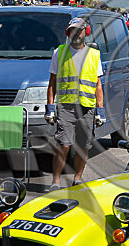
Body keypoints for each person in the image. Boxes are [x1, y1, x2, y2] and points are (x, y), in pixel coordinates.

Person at [45, 17, 106, 190]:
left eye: (80, 30)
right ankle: (56, 181)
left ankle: (77, 179)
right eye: (73, 30)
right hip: (66, 106)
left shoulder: (94, 55)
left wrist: (100, 110)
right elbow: (52, 82)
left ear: (85, 32)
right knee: (63, 144)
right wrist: (50, 107)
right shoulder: (60, 52)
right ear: (68, 32)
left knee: (83, 146)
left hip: (87, 107)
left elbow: (98, 85)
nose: (77, 33)